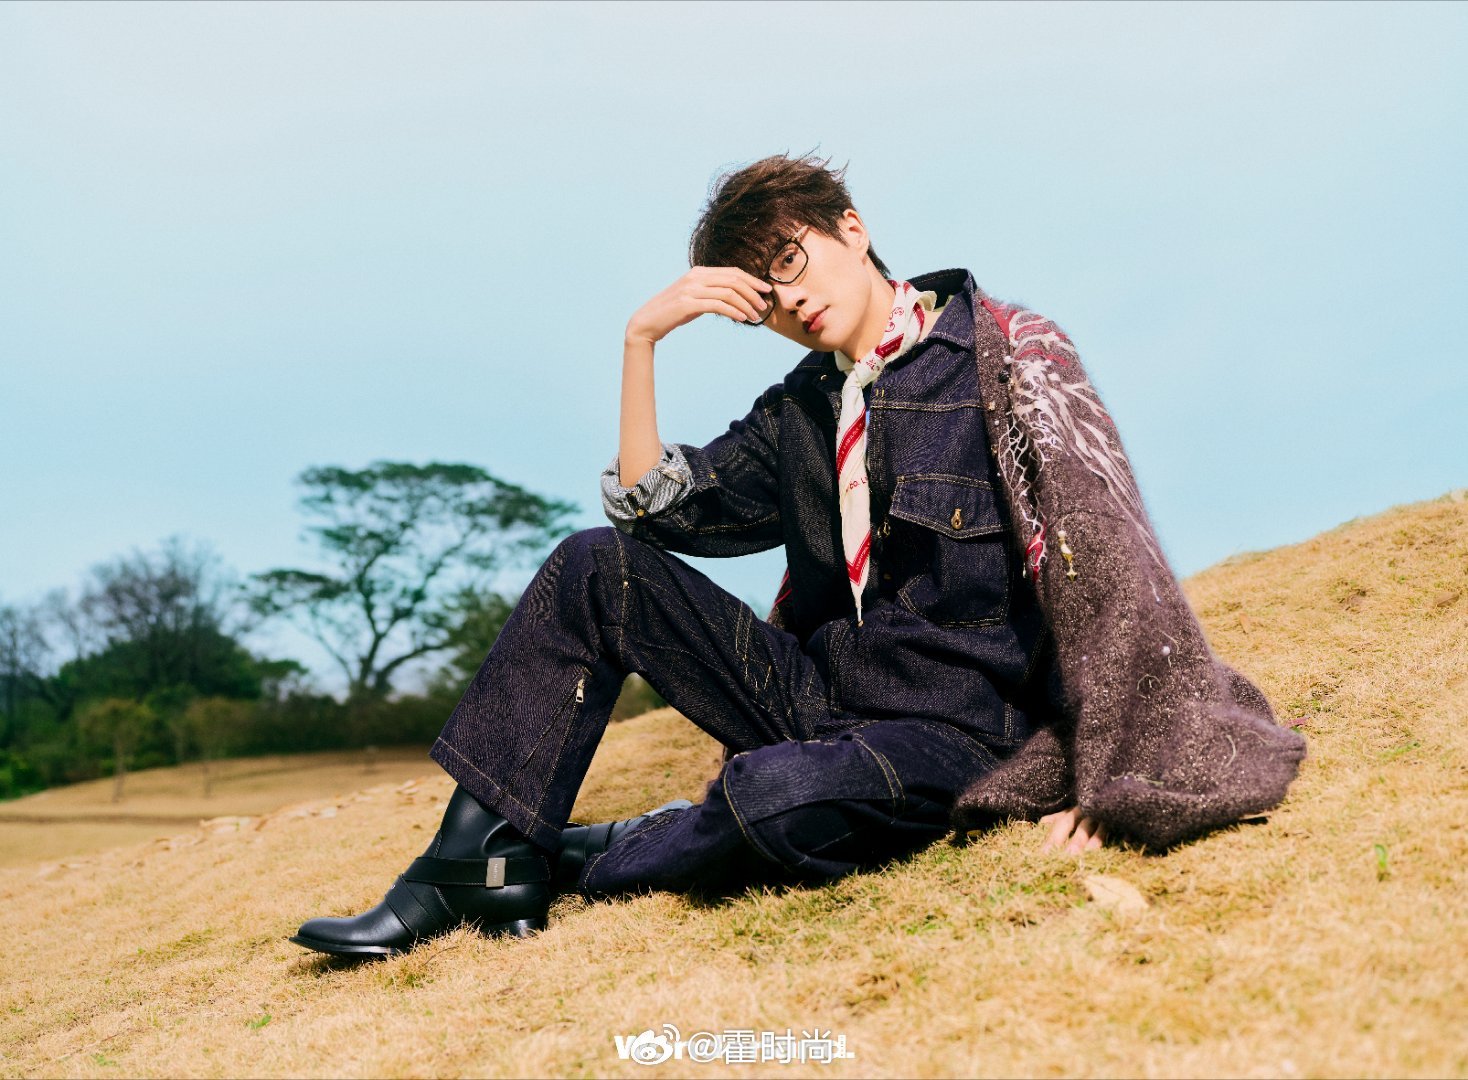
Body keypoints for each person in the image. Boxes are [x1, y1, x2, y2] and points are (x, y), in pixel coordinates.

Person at [289, 154, 1199, 959]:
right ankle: (468, 864)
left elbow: (1109, 565)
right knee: (594, 567)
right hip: (814, 696)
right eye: (763, 293)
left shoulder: (1006, 361)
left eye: (791, 260)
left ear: (852, 229)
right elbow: (656, 511)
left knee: (773, 795)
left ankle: (571, 855)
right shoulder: (800, 409)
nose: (788, 299)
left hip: (955, 732)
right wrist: (641, 341)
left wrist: (1114, 770)